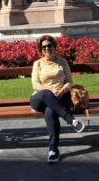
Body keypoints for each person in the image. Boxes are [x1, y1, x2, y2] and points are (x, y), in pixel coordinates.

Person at [30, 35, 85, 163]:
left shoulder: (62, 62)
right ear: (41, 50)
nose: (47, 49)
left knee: (50, 112)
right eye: (44, 47)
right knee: (46, 94)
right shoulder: (37, 64)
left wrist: (62, 90)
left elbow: (69, 81)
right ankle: (71, 120)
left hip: (60, 97)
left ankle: (53, 150)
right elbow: (36, 84)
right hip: (39, 98)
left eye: (49, 46)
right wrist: (50, 90)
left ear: (54, 46)